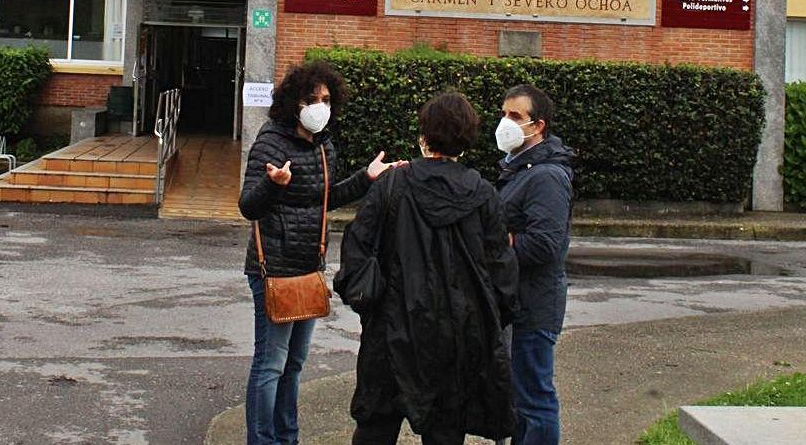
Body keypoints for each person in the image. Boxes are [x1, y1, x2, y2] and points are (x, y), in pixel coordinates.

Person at [340, 90, 520, 445]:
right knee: (446, 429)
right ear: (466, 139)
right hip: (455, 332)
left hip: (391, 327)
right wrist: (486, 319)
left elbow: (356, 247)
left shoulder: (394, 183)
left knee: (376, 425)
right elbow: (501, 269)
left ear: (424, 135)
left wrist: (368, 301)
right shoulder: (482, 194)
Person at [238, 61, 399, 445]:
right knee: (271, 364)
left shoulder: (323, 145)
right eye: (312, 99)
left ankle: (287, 437)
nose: (320, 107)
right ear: (294, 102)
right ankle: (262, 440)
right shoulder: (270, 141)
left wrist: (366, 178)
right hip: (273, 269)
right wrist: (273, 185)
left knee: (293, 364)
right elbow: (248, 206)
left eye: (326, 99)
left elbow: (323, 199)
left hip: (309, 268)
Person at [494, 84, 574, 445]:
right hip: (519, 302)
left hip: (535, 304)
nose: (504, 123)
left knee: (535, 399)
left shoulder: (546, 176)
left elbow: (544, 244)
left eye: (515, 117)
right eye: (503, 114)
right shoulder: (519, 169)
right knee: (523, 397)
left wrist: (498, 243)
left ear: (537, 126)